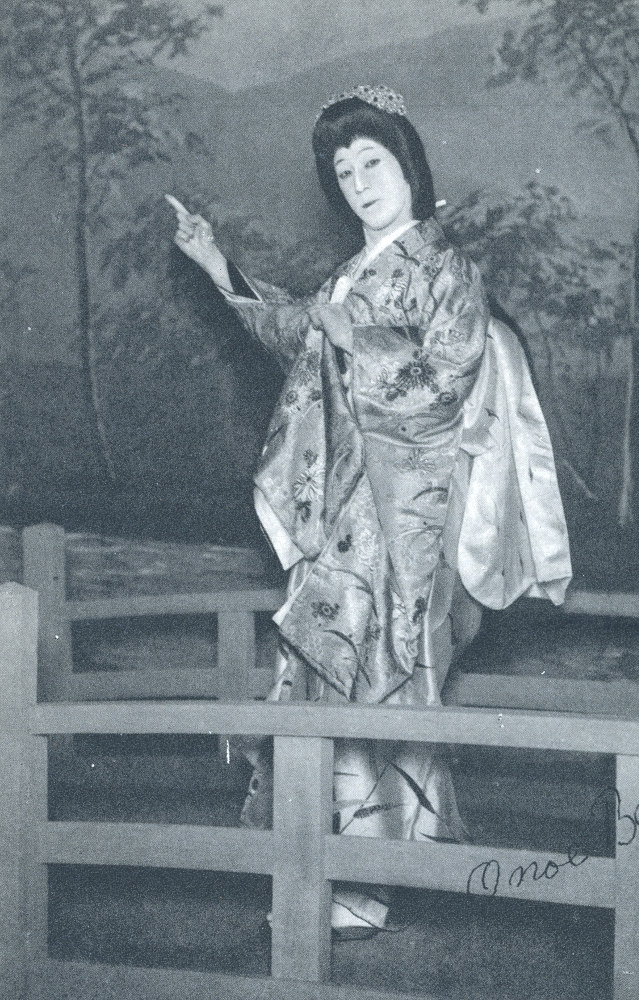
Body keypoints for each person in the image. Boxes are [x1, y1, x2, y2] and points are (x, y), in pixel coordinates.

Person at [167, 84, 572, 938]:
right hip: (343, 510)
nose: (358, 183)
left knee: (375, 677)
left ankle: (364, 883)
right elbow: (297, 333)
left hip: (406, 517)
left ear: (407, 164)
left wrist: (363, 343)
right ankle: (325, 865)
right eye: (343, 171)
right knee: (323, 670)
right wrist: (215, 266)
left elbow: (445, 384)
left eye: (372, 162)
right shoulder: (355, 270)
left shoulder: (444, 270)